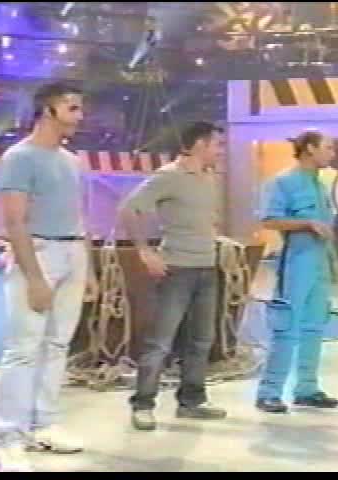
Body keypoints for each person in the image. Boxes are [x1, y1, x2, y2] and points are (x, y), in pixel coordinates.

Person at [0, 82, 98, 471]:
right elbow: (14, 222)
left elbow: (79, 217)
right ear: (48, 111)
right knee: (24, 348)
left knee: (57, 345)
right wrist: (35, 277)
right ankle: (10, 435)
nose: (80, 116)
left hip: (73, 253)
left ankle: (45, 424)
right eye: (72, 108)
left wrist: (88, 268)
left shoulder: (72, 161)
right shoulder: (19, 157)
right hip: (38, 252)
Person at [119, 121, 227, 431]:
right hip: (177, 270)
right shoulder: (168, 176)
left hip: (208, 268)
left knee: (201, 340)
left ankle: (192, 401)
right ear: (200, 145)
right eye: (217, 145)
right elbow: (128, 209)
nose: (220, 151)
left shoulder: (210, 178)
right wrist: (144, 251)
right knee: (160, 343)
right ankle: (143, 404)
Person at [256, 130, 338, 414]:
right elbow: (269, 220)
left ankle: (307, 388)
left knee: (314, 326)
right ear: (310, 149)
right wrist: (306, 224)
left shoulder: (321, 186)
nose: (333, 153)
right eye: (328, 147)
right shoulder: (283, 182)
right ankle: (269, 391)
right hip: (296, 261)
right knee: (286, 325)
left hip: (320, 262)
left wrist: (332, 263)